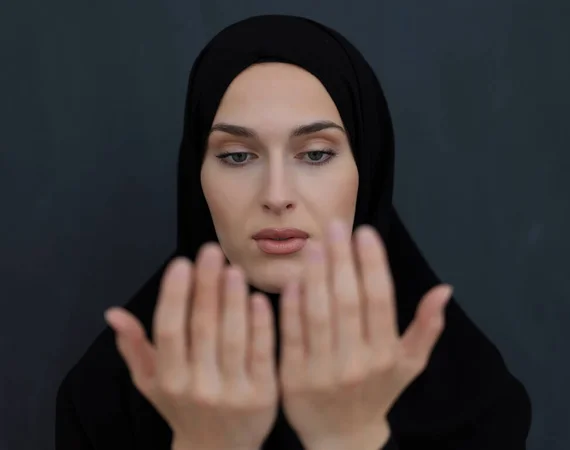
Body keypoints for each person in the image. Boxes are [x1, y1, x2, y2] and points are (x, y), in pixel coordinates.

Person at [55, 14, 532, 450]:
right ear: (195, 176)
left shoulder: (471, 393)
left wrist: (349, 439)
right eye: (237, 156)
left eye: (316, 153)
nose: (277, 195)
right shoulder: (107, 395)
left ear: (368, 167)